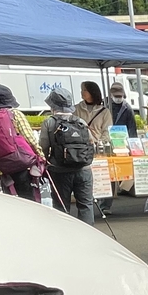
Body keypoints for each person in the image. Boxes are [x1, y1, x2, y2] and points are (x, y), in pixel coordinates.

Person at [0, 85, 44, 202]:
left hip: (3, 166)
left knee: (11, 200)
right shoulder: (15, 114)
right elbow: (29, 137)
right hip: (21, 163)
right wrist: (40, 156)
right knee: (28, 200)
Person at [39, 90, 96, 224]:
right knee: (86, 205)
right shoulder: (80, 121)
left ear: (52, 106)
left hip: (59, 170)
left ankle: (65, 236)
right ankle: (89, 236)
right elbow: (91, 143)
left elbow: (43, 147)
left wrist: (47, 163)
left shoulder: (49, 123)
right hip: (83, 169)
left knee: (61, 207)